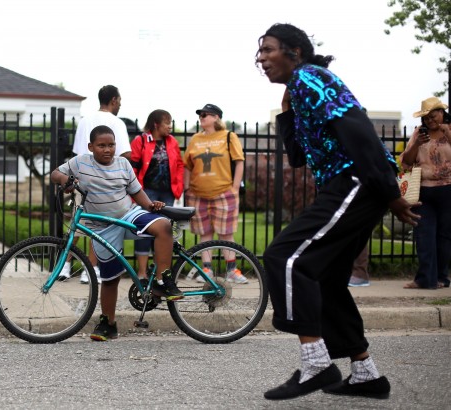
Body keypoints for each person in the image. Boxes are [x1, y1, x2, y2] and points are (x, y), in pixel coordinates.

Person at [255, 23, 420, 400]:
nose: (262, 59)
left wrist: (389, 190)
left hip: (357, 180)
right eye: (260, 53)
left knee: (285, 257)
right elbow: (298, 158)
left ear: (295, 51)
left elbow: (358, 131)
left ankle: (315, 361)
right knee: (325, 277)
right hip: (349, 184)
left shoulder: (310, 78)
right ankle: (366, 374)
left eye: (269, 50)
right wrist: (285, 115)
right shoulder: (298, 92)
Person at [50, 125, 184, 341]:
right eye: (101, 145)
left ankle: (163, 280)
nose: (107, 149)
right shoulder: (80, 162)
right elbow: (55, 173)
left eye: (111, 145)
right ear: (91, 147)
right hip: (102, 225)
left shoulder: (123, 164)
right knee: (110, 278)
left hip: (127, 214)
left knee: (163, 226)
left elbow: (136, 192)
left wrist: (150, 206)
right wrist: (65, 181)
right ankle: (108, 323)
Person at [59, 85, 132, 284]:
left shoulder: (85, 121)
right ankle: (90, 270)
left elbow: (77, 153)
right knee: (99, 228)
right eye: (120, 100)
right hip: (107, 182)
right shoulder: (117, 122)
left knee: (77, 224)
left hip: (83, 179)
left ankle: (64, 267)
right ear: (114, 100)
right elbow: (125, 154)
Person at [182, 104, 248, 284]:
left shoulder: (228, 136)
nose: (201, 117)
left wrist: (235, 187)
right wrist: (186, 188)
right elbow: (187, 165)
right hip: (197, 194)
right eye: (200, 115)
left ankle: (232, 270)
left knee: (226, 233)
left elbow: (239, 161)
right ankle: (207, 269)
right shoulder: (195, 138)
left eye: (205, 114)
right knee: (205, 233)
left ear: (216, 117)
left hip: (224, 192)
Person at [400, 97, 451, 290]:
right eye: (426, 118)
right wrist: (416, 144)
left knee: (444, 236)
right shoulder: (418, 134)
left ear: (442, 113)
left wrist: (447, 131)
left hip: (448, 189)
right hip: (424, 191)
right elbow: (406, 162)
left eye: (434, 115)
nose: (430, 120)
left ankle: (441, 278)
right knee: (424, 235)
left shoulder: (449, 130)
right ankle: (424, 279)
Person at [130, 109, 184, 279]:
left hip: (167, 192)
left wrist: (179, 185)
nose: (170, 126)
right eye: (167, 123)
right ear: (156, 124)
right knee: (145, 230)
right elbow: (134, 167)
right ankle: (142, 272)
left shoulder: (172, 142)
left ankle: (160, 273)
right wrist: (134, 191)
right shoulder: (141, 141)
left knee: (164, 231)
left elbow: (180, 164)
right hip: (147, 192)